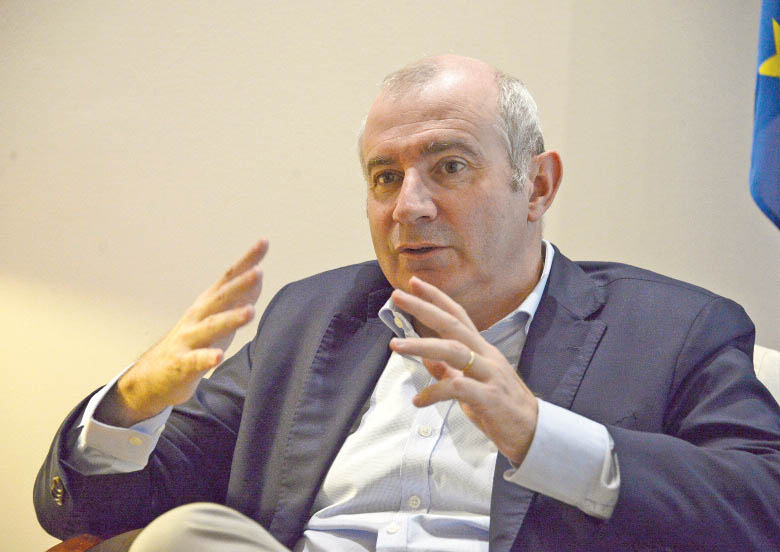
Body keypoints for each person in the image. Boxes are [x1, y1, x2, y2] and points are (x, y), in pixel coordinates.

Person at [35, 55, 780, 551]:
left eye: (449, 166)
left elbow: (764, 506)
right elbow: (101, 508)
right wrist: (130, 405)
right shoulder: (313, 318)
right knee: (188, 536)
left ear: (538, 185)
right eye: (385, 177)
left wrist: (537, 433)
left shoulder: (672, 328)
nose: (409, 206)